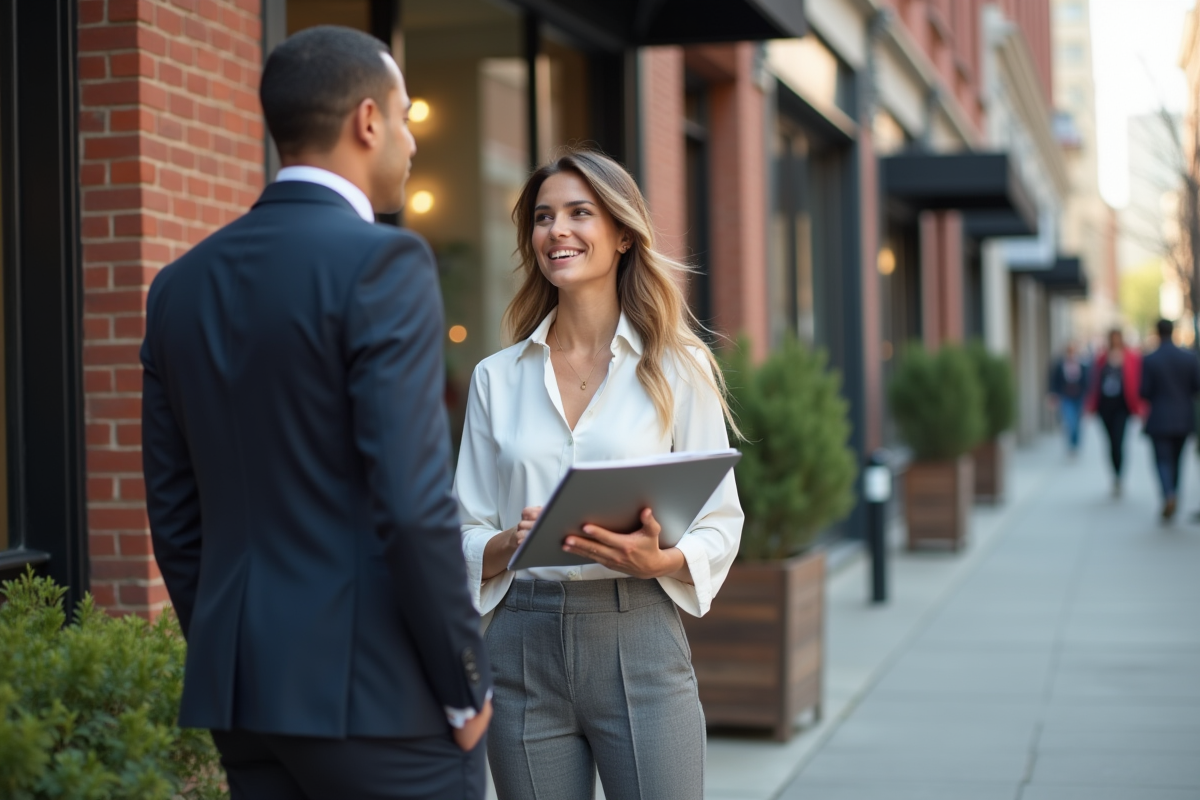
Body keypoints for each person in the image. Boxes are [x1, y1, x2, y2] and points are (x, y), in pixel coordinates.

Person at [141, 26, 492, 800]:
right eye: (404, 117)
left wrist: (232, 654)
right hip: (376, 697)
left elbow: (174, 516)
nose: (410, 141)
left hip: (244, 694)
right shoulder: (386, 262)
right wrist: (466, 680)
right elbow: (412, 504)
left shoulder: (178, 287)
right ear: (367, 121)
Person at [454, 150, 744, 800]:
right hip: (521, 644)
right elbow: (461, 527)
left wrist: (662, 560)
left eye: (579, 213)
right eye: (543, 217)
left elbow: (721, 520)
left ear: (622, 235)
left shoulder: (679, 366)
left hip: (638, 633)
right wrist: (509, 544)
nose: (557, 230)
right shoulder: (496, 378)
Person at [1139, 318, 1200, 520]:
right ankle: (1174, 494)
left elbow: (1144, 391)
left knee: (1162, 460)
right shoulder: (1188, 357)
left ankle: (1168, 494)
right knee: (1177, 460)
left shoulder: (1150, 359)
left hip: (1159, 418)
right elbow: (1196, 387)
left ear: (1157, 332)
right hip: (1183, 417)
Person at [1086, 328, 1146, 497]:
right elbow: (1094, 382)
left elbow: (1137, 381)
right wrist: (1091, 405)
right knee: (1110, 443)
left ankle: (1119, 476)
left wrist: (1140, 405)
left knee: (1119, 441)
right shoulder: (1102, 358)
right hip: (1105, 407)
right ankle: (1114, 474)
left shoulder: (1131, 357)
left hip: (1122, 407)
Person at [1048, 342, 1089, 455]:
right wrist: (1052, 395)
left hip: (1079, 397)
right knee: (1070, 421)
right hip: (1066, 397)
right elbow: (1053, 380)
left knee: (1077, 422)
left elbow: (1087, 382)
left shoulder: (1082, 365)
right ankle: (1071, 444)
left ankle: (1075, 444)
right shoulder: (1060, 365)